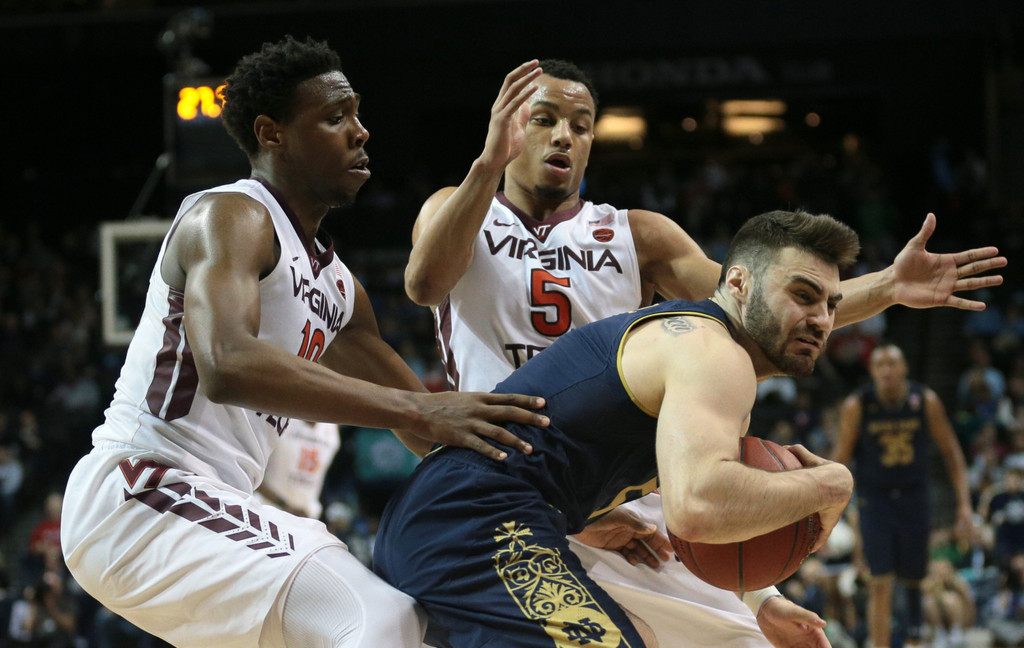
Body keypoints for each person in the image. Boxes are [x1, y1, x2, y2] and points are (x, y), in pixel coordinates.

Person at [403, 60, 1006, 646]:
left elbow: (760, 311)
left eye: (582, 124)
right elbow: (425, 285)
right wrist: (488, 163)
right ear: (509, 124)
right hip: (508, 485)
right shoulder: (458, 209)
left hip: (625, 505)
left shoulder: (636, 233)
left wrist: (887, 288)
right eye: (544, 118)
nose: (564, 134)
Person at [59, 35, 549, 648]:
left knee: (403, 630)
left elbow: (434, 432)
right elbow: (226, 364)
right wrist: (423, 406)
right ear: (272, 134)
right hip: (144, 487)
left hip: (207, 507)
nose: (361, 131)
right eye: (335, 116)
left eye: (359, 114)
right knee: (377, 618)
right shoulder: (232, 215)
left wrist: (570, 513)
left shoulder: (339, 289)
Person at [377, 209, 861, 648]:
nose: (821, 319)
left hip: (469, 516)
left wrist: (755, 600)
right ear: (738, 284)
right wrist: (831, 482)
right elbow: (696, 507)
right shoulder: (712, 351)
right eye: (802, 295)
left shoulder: (697, 346)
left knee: (642, 638)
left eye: (831, 305)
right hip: (471, 521)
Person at [834, 343, 974, 648]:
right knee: (879, 584)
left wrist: (964, 504)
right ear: (871, 371)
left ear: (904, 368)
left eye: (891, 364)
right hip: (876, 501)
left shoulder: (925, 401)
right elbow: (839, 461)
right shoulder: (857, 405)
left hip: (915, 498)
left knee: (915, 580)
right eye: (879, 365)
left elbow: (952, 453)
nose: (886, 370)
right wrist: (833, 507)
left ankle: (915, 641)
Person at [253, 419, 341, 519]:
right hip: (267, 510)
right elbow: (253, 472)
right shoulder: (280, 417)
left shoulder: (332, 426)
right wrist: (284, 505)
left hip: (307, 516)